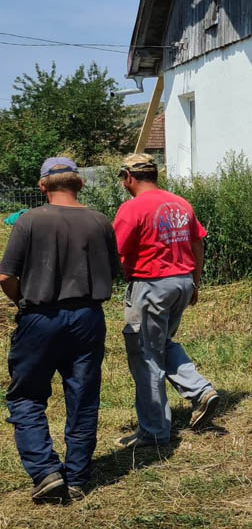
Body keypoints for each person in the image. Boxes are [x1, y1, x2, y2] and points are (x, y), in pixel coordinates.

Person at [0, 158, 120, 503]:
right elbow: (113, 271)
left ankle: (46, 471)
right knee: (82, 398)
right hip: (88, 316)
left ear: (42, 187)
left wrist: (23, 301)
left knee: (27, 397)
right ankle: (79, 478)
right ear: (80, 185)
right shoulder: (100, 221)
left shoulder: (29, 221)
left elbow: (6, 276)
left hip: (39, 317)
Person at [112, 154, 219, 448]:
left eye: (123, 179)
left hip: (150, 285)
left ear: (129, 177)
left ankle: (154, 431)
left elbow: (115, 252)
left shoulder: (132, 208)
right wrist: (195, 281)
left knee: (145, 354)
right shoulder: (180, 203)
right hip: (182, 282)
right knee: (161, 344)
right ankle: (200, 391)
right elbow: (197, 243)